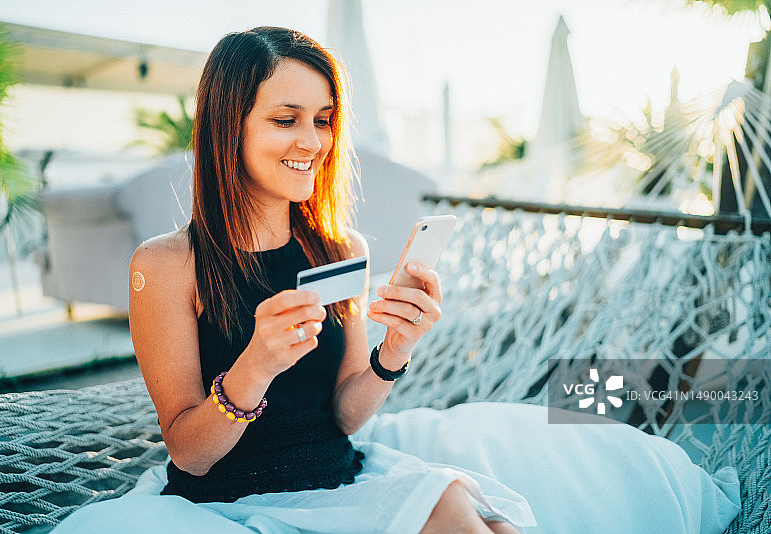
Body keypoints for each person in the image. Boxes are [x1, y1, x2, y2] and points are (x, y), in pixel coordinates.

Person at [51, 26, 534, 533]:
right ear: (228, 126)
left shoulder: (342, 249)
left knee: (490, 522)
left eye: (323, 120)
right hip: (232, 503)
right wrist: (256, 366)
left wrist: (395, 350)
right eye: (286, 120)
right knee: (448, 508)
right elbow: (190, 454)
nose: (313, 141)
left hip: (339, 482)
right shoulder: (165, 265)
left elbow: (344, 418)